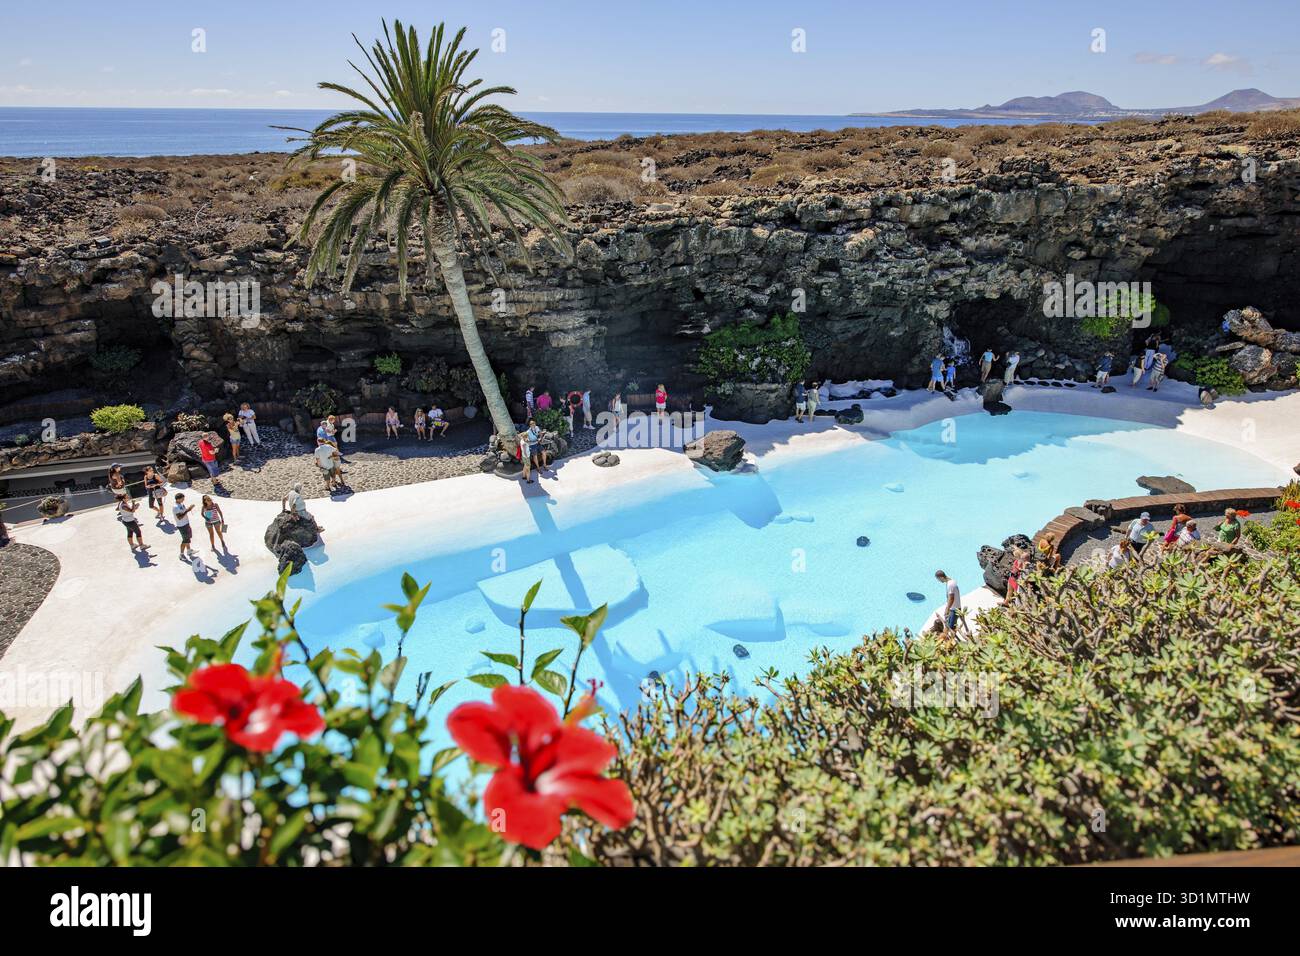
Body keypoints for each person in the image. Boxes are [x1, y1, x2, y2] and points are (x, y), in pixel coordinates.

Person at [934, 570, 961, 638]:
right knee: (951, 627)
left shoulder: (950, 584)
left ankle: (949, 643)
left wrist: (947, 609)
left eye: (938, 579)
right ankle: (952, 640)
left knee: (949, 628)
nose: (939, 581)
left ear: (941, 577)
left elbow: (951, 598)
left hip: (954, 609)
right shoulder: (952, 581)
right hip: (955, 608)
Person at [173, 492, 196, 561]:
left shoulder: (181, 504)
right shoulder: (175, 507)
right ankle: (181, 554)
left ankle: (189, 550)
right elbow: (179, 517)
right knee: (185, 540)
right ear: (178, 499)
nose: (183, 499)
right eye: (182, 498)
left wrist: (188, 509)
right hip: (182, 525)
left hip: (186, 523)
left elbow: (183, 512)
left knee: (188, 538)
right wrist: (188, 510)